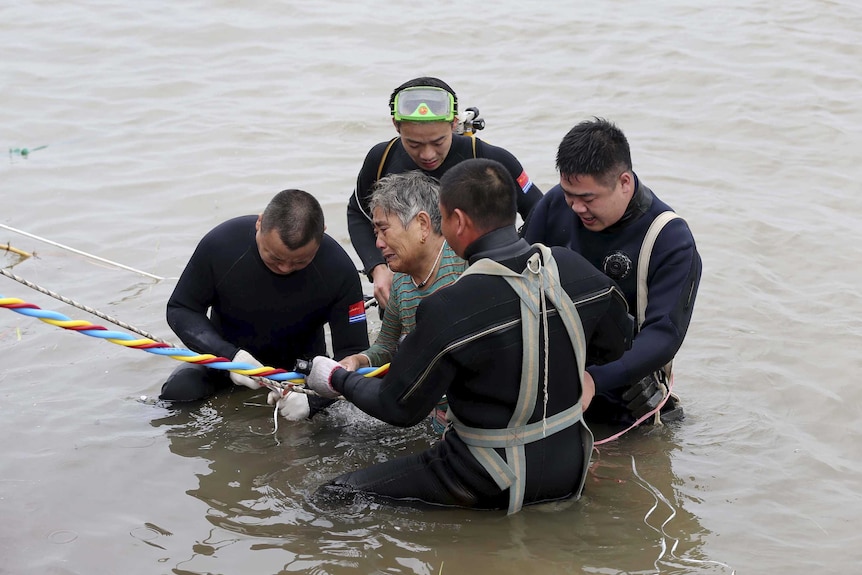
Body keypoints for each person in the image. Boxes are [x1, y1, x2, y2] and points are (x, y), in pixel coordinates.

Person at [304, 158, 632, 514]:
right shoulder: (575, 269)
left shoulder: (449, 305)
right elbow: (619, 343)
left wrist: (336, 377)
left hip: (489, 478)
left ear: (457, 222)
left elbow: (397, 407)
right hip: (569, 468)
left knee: (337, 493)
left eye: (443, 219)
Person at [522, 118, 702, 427]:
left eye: (588, 199)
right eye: (570, 194)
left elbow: (664, 335)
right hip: (552, 380)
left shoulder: (670, 239)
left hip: (626, 401)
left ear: (624, 183)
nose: (576, 208)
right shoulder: (556, 203)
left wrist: (594, 380)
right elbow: (515, 275)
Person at [160, 189, 370, 420]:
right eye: (275, 258)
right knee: (178, 392)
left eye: (300, 261)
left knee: (335, 419)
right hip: (226, 363)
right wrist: (230, 357)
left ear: (322, 235)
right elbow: (181, 308)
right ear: (259, 223)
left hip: (300, 373)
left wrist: (313, 401)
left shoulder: (339, 269)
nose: (285, 268)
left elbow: (353, 354)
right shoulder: (222, 244)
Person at [347, 76, 543, 311]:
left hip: (480, 292)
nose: (427, 154)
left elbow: (541, 213)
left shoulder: (492, 160)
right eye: (414, 144)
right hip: (406, 296)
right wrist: (377, 268)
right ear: (396, 126)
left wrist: (517, 267)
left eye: (438, 141)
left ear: (454, 123)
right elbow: (357, 213)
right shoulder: (381, 158)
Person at [339, 170, 466, 372]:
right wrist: (357, 361)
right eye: (375, 233)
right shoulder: (400, 281)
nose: (378, 244)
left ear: (423, 224)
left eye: (384, 230)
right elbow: (386, 347)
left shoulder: (465, 262)